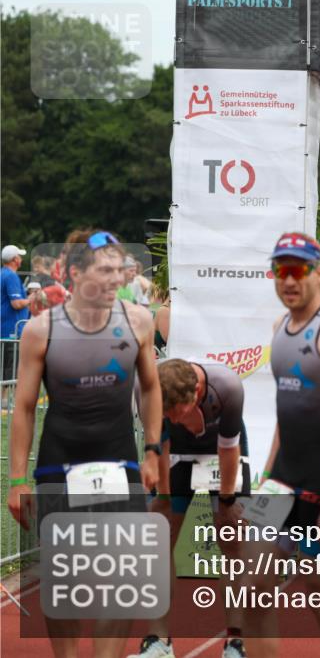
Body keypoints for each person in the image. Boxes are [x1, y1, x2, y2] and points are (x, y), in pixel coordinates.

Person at [6, 229, 163, 658]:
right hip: (60, 462)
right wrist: (17, 479)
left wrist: (153, 451)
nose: (117, 278)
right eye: (105, 270)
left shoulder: (138, 321)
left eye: (120, 269)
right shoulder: (41, 330)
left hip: (119, 460)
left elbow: (151, 388)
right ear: (75, 273)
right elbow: (23, 407)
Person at [242, 232, 320, 658]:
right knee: (252, 588)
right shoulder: (280, 327)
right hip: (282, 480)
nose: (289, 280)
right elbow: (287, 413)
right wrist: (266, 477)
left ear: (317, 274)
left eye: (298, 270)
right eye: (280, 270)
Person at [129, 358, 251, 658]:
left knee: (232, 541)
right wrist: (164, 497)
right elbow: (158, 443)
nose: (173, 418)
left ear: (196, 393)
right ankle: (159, 641)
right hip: (176, 454)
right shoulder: (145, 388)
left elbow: (228, 449)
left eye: (178, 412)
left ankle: (236, 642)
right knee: (160, 540)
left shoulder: (227, 388)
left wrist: (227, 501)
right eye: (167, 413)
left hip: (222, 454)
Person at [1, 244, 30, 406]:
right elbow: (17, 303)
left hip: (5, 327)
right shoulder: (10, 276)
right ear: (14, 260)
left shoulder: (3, 274)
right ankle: (6, 400)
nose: (21, 259)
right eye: (19, 256)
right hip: (11, 329)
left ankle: (5, 399)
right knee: (11, 366)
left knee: (6, 365)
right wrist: (32, 299)